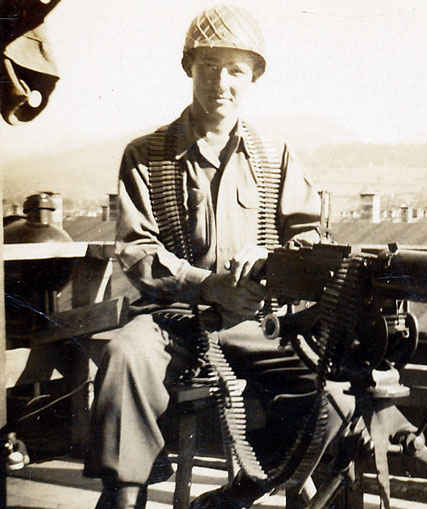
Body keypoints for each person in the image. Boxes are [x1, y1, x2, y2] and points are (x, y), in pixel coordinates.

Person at [83, 5, 351, 508]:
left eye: (235, 70)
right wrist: (204, 284)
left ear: (253, 78)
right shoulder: (146, 154)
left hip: (263, 324)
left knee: (337, 398)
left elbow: (310, 238)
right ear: (190, 69)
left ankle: (241, 493)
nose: (220, 82)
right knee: (123, 357)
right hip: (176, 320)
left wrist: (271, 259)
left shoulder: (277, 155)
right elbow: (138, 250)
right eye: (208, 67)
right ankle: (122, 495)